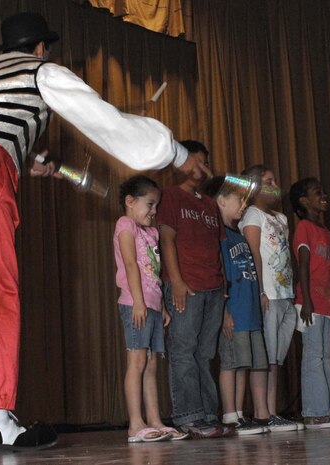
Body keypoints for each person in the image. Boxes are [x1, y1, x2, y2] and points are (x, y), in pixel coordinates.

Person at [0, 11, 206, 455]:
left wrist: (27, 159)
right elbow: (104, 120)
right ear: (41, 48)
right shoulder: (40, 69)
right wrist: (174, 151)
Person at [157, 140, 233, 439]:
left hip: (213, 287)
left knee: (204, 353)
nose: (200, 169)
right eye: (195, 162)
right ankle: (188, 416)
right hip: (185, 286)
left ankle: (206, 415)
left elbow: (218, 246)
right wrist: (175, 281)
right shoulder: (171, 197)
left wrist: (224, 290)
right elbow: (167, 239)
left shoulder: (210, 204)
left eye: (205, 163)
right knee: (184, 351)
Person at [113, 175, 188, 443]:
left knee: (152, 364)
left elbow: (154, 274)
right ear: (130, 202)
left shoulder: (152, 233)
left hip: (153, 306)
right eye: (150, 204)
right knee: (137, 361)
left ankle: (155, 420)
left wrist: (162, 306)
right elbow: (131, 265)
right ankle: (135, 424)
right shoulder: (125, 225)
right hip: (136, 304)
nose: (154, 211)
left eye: (156, 206)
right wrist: (139, 301)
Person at [203, 176, 270, 436]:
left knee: (245, 363)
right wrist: (224, 311)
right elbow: (220, 276)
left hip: (251, 311)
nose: (243, 204)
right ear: (220, 200)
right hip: (235, 313)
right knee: (230, 363)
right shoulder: (219, 237)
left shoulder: (238, 234)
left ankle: (239, 413)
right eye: (237, 199)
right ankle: (230, 414)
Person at [238, 165, 301, 432]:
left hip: (285, 294)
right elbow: (254, 254)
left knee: (276, 357)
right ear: (253, 188)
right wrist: (260, 291)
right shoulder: (252, 214)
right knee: (264, 356)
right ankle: (263, 412)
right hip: (268, 294)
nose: (275, 185)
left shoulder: (281, 218)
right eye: (268, 181)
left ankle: (272, 411)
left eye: (275, 180)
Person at [289, 177, 330, 429]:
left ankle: (327, 410)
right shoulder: (304, 227)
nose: (324, 195)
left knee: (324, 357)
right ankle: (314, 412)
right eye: (317, 192)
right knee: (313, 356)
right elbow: (303, 265)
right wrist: (307, 301)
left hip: (327, 303)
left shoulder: (327, 232)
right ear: (304, 200)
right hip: (311, 302)